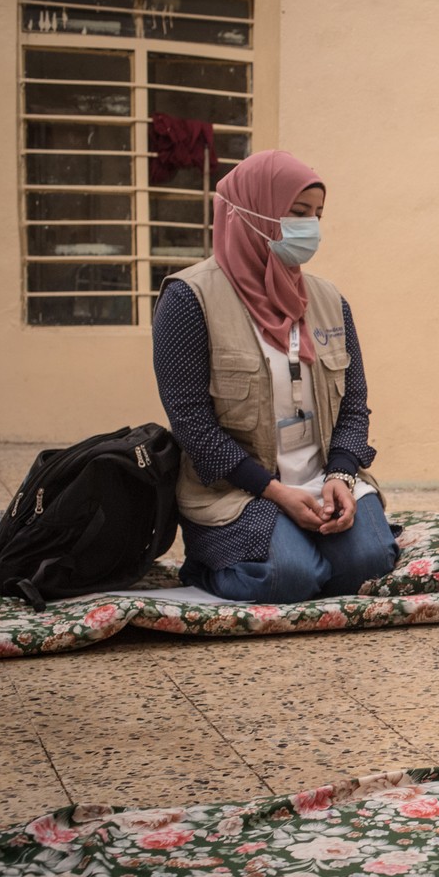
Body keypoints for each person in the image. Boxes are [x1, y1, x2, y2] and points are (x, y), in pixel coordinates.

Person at [152, 150, 398, 604]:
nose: (311, 229)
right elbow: (191, 425)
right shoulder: (189, 299)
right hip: (239, 489)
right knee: (288, 577)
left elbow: (354, 404)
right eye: (298, 213)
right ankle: (208, 565)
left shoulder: (327, 300)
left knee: (366, 566)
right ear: (252, 212)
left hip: (323, 478)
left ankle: (311, 541)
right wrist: (275, 493)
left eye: (318, 215)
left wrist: (340, 476)